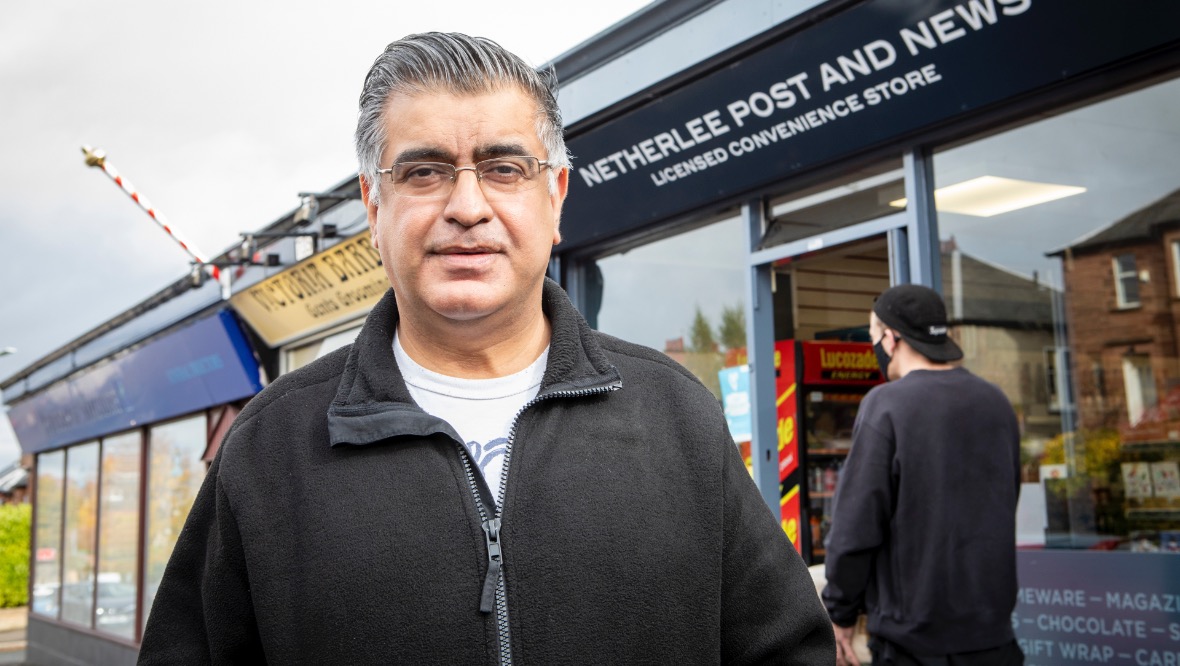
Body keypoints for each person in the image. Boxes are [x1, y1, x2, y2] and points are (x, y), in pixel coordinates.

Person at [137, 32, 834, 664]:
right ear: (373, 207)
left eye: (503, 168)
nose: (467, 206)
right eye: (423, 172)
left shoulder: (675, 416)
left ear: (555, 195)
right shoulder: (270, 448)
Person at [822, 284, 1024, 666]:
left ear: (891, 338)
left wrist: (838, 613)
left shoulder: (886, 406)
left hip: (914, 645)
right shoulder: (995, 402)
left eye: (873, 338)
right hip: (994, 638)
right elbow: (1005, 501)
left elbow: (855, 527)